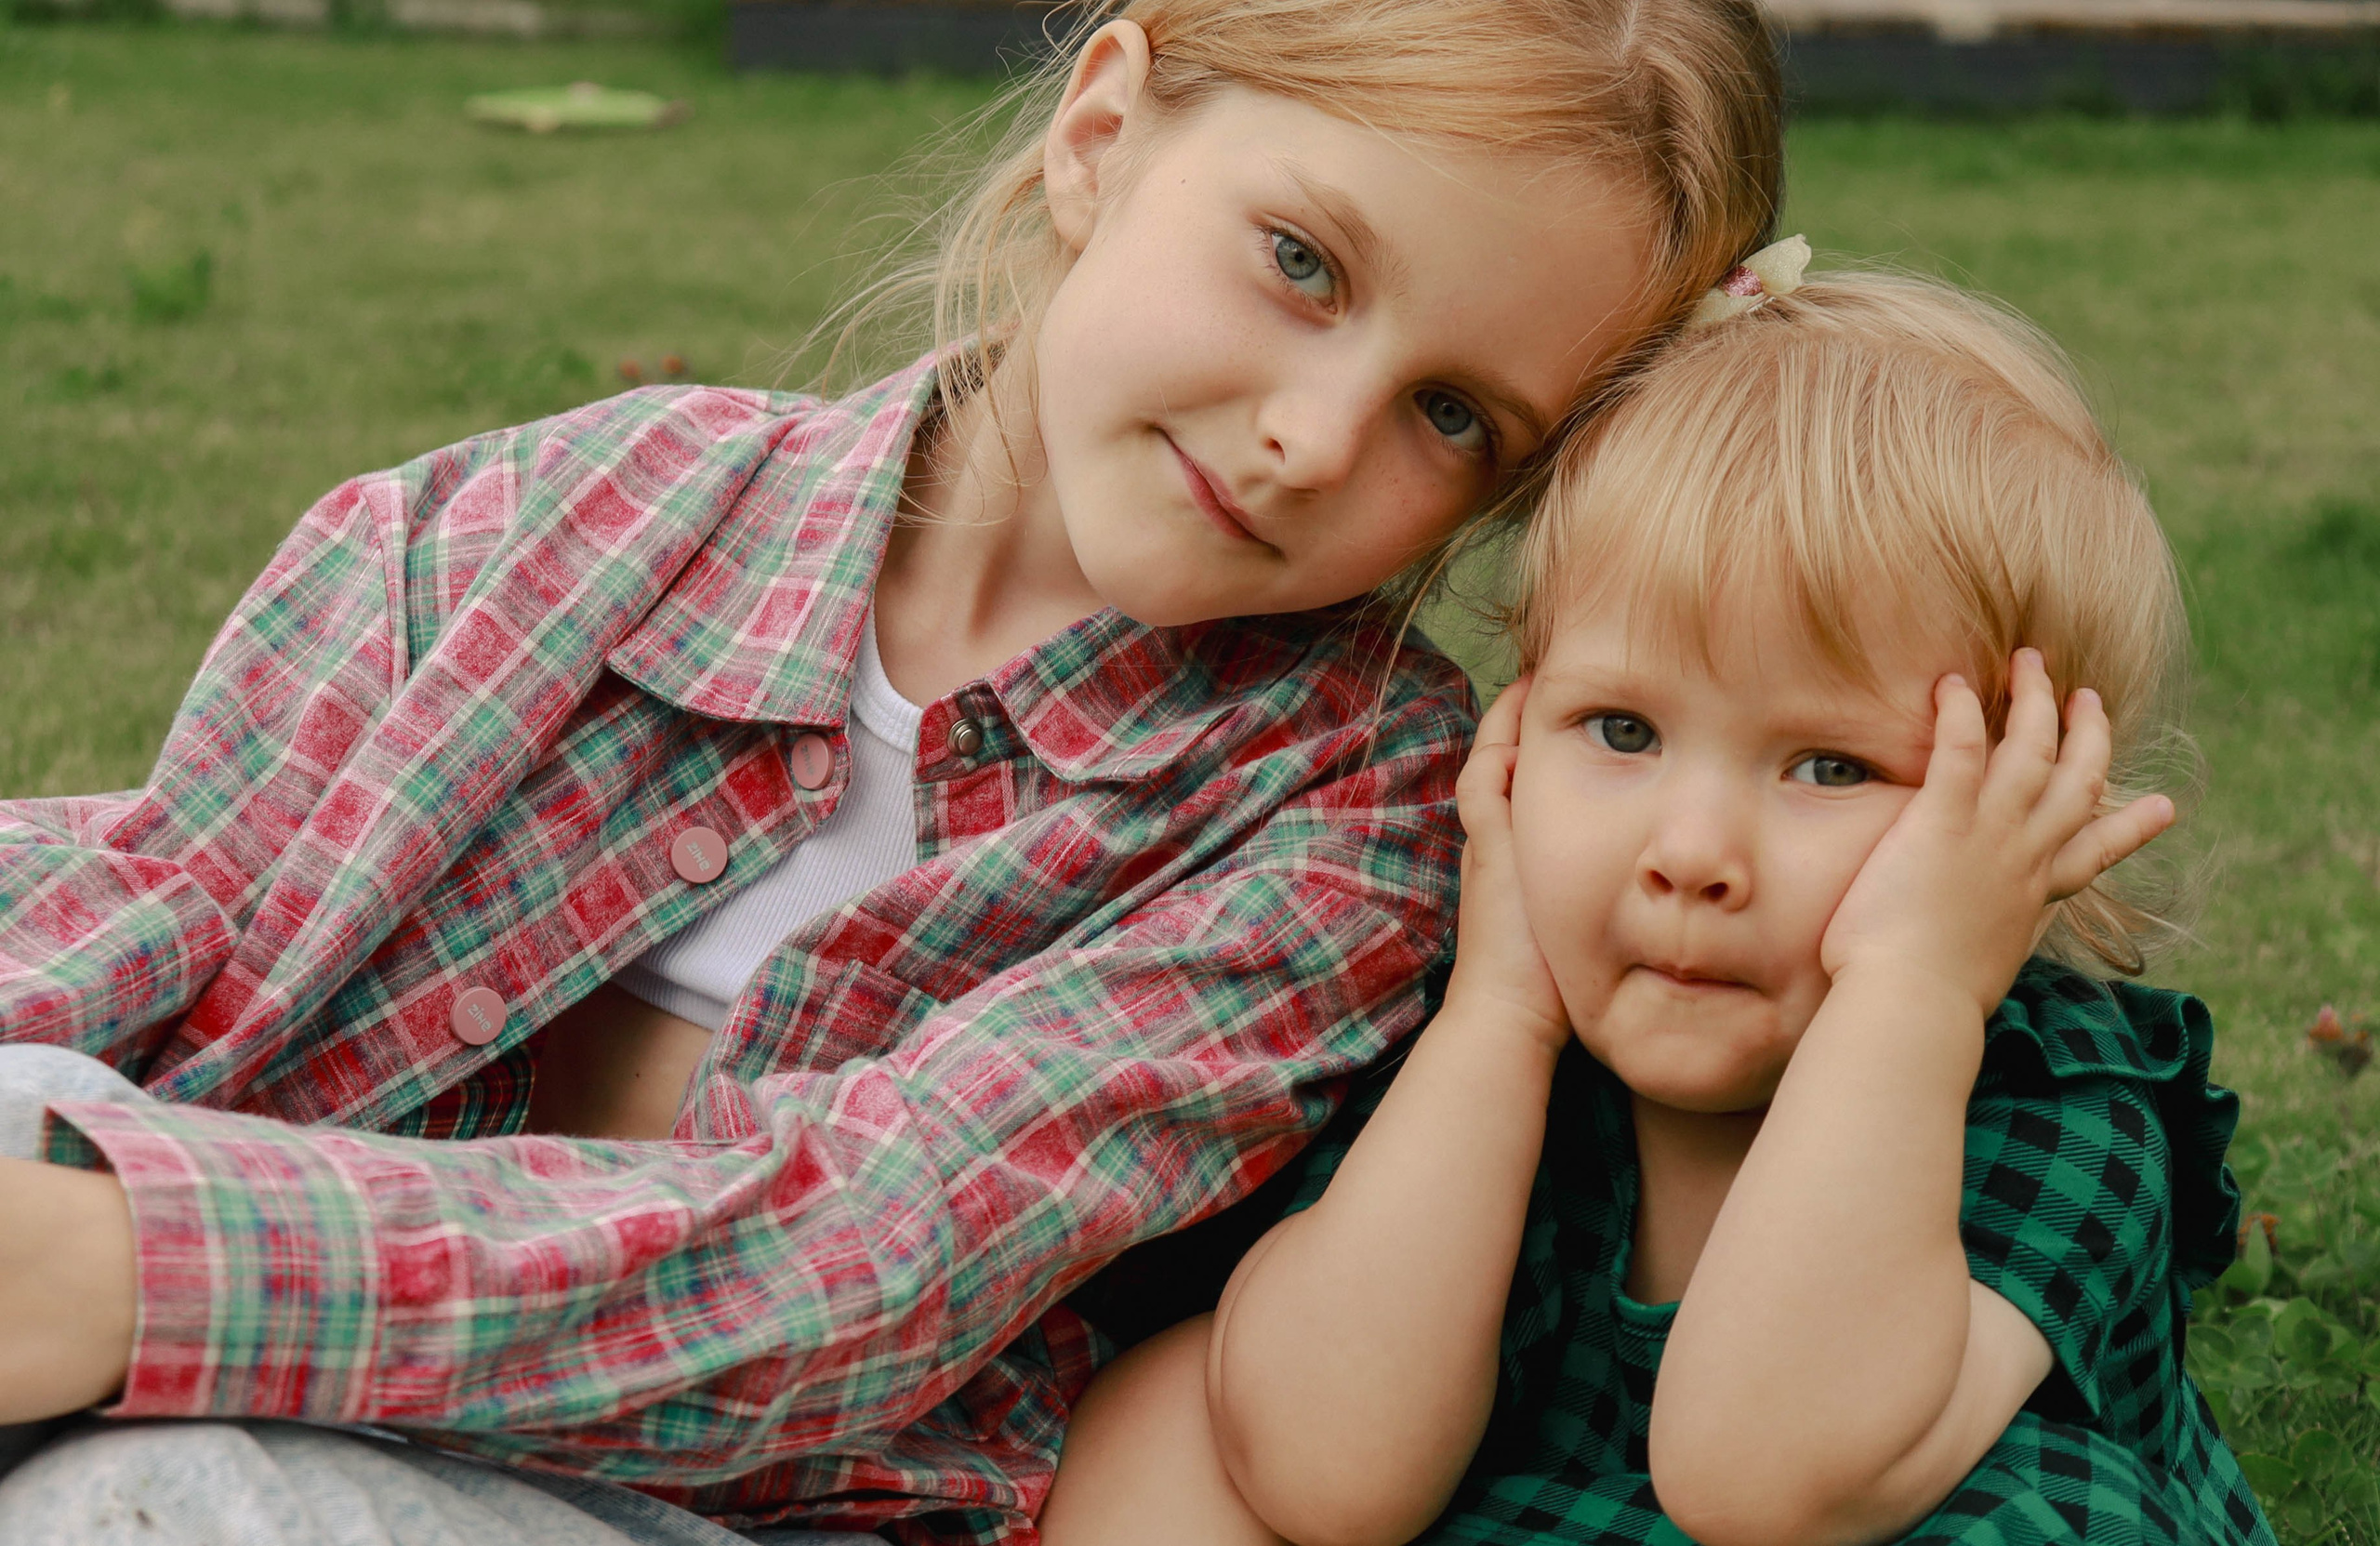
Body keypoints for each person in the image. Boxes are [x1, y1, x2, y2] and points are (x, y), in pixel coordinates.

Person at [0, 1, 1786, 1541]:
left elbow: (867, 1259)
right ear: (1101, 135)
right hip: (174, 1315)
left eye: (1453, 416)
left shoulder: (1338, 816)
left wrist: (133, 1269)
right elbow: (169, 908)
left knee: (135, 1507)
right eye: (1302, 264)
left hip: (710, 1503)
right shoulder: (539, 520)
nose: (1316, 440)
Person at [1035, 258, 2279, 1546]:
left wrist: (1910, 991)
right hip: (1534, 1505)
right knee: (1176, 1416)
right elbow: (1325, 1470)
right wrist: (1498, 1021)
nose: (1690, 853)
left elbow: (1762, 1481)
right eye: (1620, 730)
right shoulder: (1502, 1037)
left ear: (2029, 810)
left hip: (1865, 1516)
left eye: (1830, 767)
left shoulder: (2055, 1103)